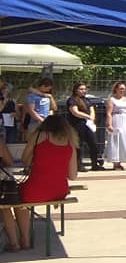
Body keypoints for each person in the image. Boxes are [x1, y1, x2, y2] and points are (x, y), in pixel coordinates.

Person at [0, 114, 77, 252]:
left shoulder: (39, 136)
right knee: (19, 201)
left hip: (36, 190)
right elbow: (73, 176)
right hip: (60, 190)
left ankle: (17, 242)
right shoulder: (69, 142)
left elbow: (24, 159)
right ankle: (25, 240)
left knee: (8, 200)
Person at [67, 82, 103, 171]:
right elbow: (75, 112)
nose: (83, 91)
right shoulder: (72, 100)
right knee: (79, 145)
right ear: (76, 90)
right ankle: (79, 165)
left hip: (88, 125)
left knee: (93, 144)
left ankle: (95, 164)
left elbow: (92, 110)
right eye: (81, 89)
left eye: (84, 89)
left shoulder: (87, 100)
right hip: (77, 125)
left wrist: (92, 118)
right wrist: (87, 116)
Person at [105, 81, 126, 170]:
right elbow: (109, 113)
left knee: (124, 141)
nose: (122, 90)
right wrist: (109, 124)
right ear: (116, 89)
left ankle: (120, 161)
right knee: (115, 140)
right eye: (121, 88)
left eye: (124, 89)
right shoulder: (112, 99)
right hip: (116, 119)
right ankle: (115, 163)